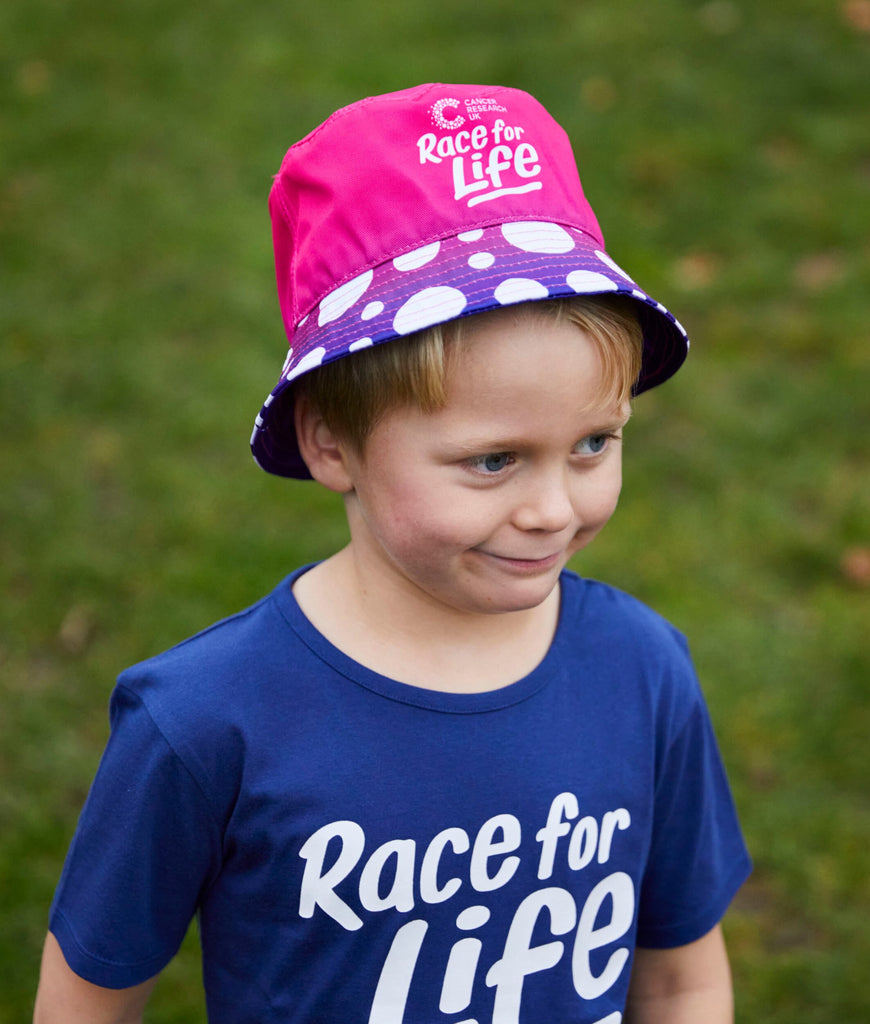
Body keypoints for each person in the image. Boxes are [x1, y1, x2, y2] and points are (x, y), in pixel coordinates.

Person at [34, 83, 751, 1024]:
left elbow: (682, 974)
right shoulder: (207, 722)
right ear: (332, 444)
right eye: (492, 461)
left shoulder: (642, 669)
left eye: (591, 445)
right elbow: (89, 997)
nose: (551, 509)